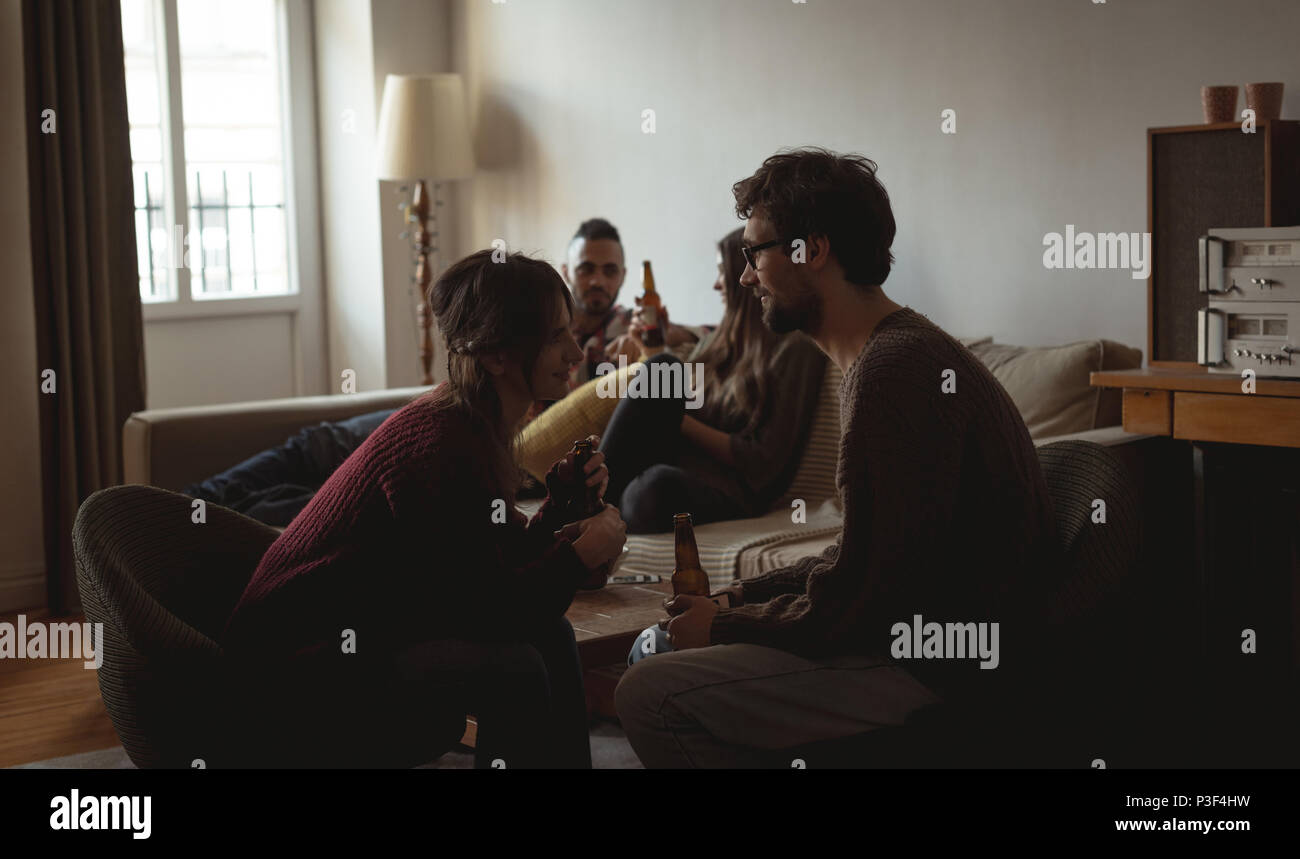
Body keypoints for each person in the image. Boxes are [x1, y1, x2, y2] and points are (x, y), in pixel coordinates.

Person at [614, 147, 1061, 768]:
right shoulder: (889, 355)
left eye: (754, 253)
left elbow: (862, 601)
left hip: (939, 668)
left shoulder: (892, 372)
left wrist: (724, 626)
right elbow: (865, 554)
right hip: (911, 641)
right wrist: (736, 599)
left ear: (811, 251)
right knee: (661, 649)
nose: (745, 277)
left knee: (648, 691)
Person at [220, 250, 628, 769]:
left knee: (550, 633)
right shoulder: (443, 444)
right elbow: (493, 609)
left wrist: (561, 502)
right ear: (496, 354)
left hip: (362, 637)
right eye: (555, 336)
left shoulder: (473, 425)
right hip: (294, 672)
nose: (575, 352)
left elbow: (490, 561)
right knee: (517, 664)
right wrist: (577, 555)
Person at [597, 227, 827, 533]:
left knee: (651, 490)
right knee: (662, 366)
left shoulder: (795, 348)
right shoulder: (716, 342)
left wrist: (676, 419)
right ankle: (589, 502)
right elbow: (675, 400)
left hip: (730, 490)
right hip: (677, 464)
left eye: (722, 272)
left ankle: (596, 507)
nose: (717, 284)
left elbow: (763, 461)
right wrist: (659, 352)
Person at [560, 217, 699, 387]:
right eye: (586, 270)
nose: (598, 281)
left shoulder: (632, 325)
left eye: (610, 271)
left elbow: (715, 336)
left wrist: (663, 333)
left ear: (623, 276)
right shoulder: (546, 328)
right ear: (566, 273)